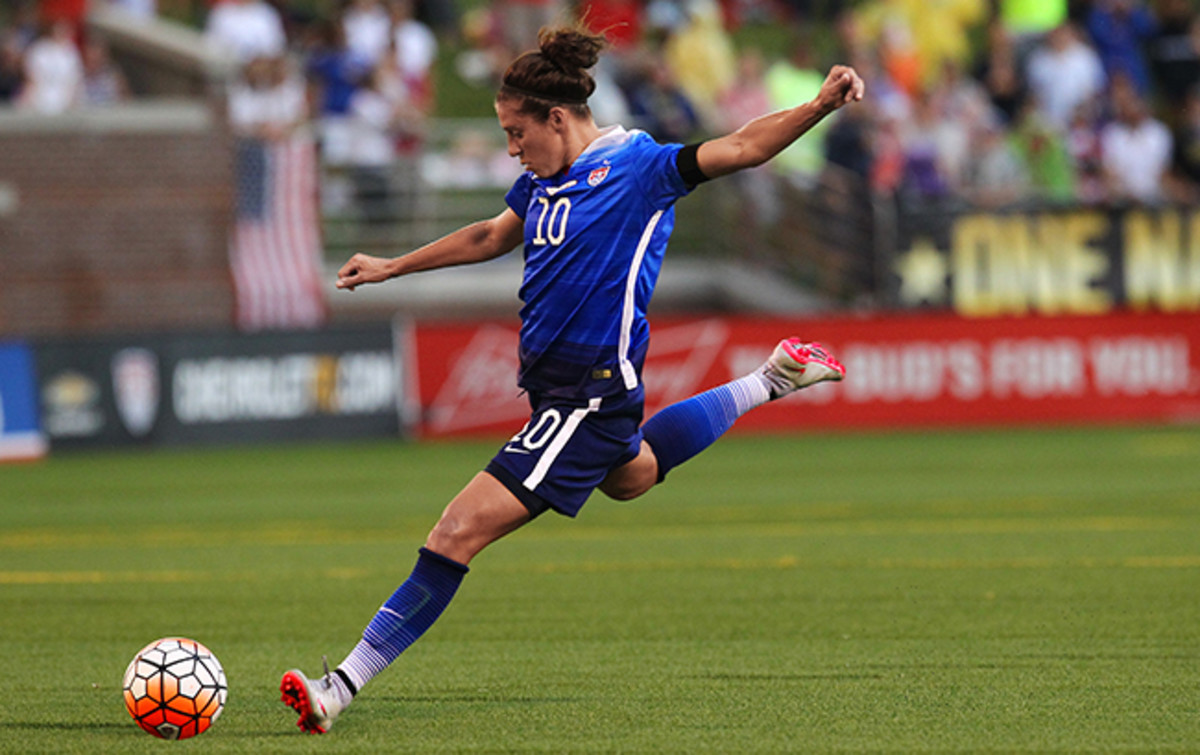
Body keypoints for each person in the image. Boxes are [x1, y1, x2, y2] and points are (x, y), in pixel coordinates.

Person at [279, 25, 862, 735]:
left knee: (456, 530)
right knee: (633, 474)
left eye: (516, 131)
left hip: (588, 391)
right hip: (564, 391)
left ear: (558, 117)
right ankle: (771, 378)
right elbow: (492, 236)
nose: (511, 147)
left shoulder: (640, 167)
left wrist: (819, 105)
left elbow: (740, 147)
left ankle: (338, 686)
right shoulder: (540, 182)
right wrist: (393, 266)